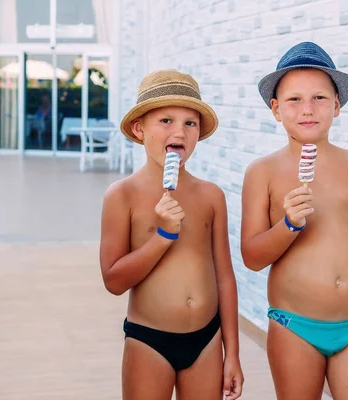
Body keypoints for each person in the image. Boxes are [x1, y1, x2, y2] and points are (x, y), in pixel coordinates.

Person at [240, 42, 348, 400]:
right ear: (275, 109)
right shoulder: (263, 173)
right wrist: (287, 225)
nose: (307, 110)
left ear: (337, 105)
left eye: (318, 98)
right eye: (294, 100)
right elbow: (252, 258)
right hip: (294, 326)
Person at [99, 69, 243, 400]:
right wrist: (163, 236)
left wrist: (231, 352)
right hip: (149, 340)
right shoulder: (122, 195)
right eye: (166, 120)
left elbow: (224, 277)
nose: (179, 130)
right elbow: (114, 281)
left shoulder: (211, 196)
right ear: (139, 128)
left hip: (207, 340)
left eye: (189, 123)